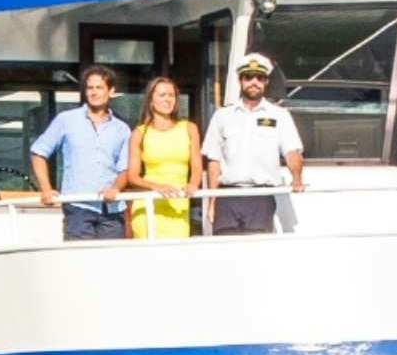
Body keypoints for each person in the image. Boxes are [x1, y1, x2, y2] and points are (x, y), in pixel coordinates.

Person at [202, 50, 306, 234]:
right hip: (227, 195)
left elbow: (292, 152)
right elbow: (214, 161)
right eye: (248, 77)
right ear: (240, 81)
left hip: (261, 196)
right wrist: (212, 200)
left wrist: (297, 179)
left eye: (259, 78)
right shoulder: (222, 116)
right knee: (225, 251)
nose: (253, 83)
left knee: (256, 252)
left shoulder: (279, 116)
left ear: (266, 82)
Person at [28, 66, 136, 240]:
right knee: (79, 262)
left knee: (111, 263)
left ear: (111, 91)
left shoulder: (121, 129)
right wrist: (46, 189)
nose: (94, 93)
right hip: (78, 207)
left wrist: (116, 188)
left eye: (99, 88)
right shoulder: (67, 119)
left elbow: (124, 168)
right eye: (90, 88)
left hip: (112, 210)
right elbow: (39, 152)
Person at [119, 74, 201, 240]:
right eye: (162, 95)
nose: (167, 100)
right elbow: (133, 176)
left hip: (178, 205)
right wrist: (157, 186)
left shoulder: (189, 128)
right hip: (148, 204)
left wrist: (193, 184)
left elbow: (197, 167)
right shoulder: (139, 133)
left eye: (171, 95)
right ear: (151, 100)